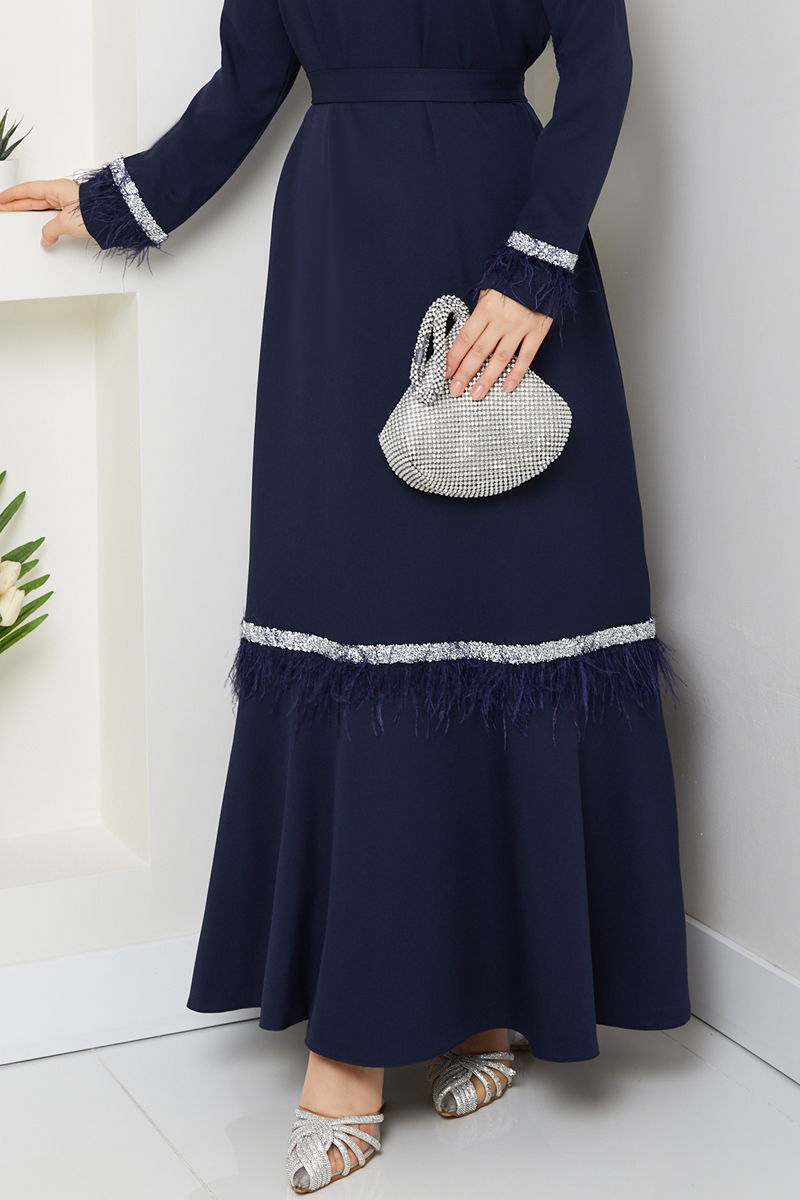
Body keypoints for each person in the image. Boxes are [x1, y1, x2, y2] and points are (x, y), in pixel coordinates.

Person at [0, 0, 692, 1192]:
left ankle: (492, 1002)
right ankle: (353, 1044)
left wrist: (535, 269)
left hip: (511, 255)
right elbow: (245, 85)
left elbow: (599, 68)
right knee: (361, 617)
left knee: (516, 617)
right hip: (342, 258)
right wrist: (119, 200)